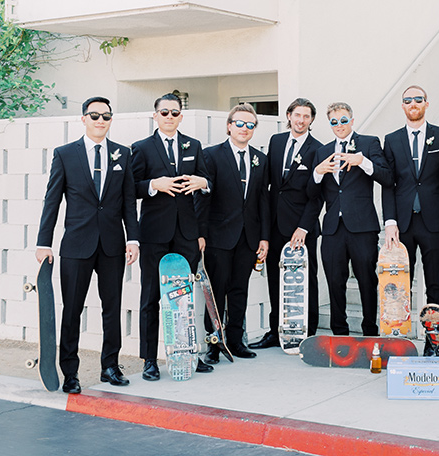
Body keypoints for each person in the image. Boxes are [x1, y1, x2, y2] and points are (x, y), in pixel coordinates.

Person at [35, 97, 140, 394]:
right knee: (72, 310)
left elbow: (128, 201)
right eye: (94, 115)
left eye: (106, 116)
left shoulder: (123, 153)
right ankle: (70, 372)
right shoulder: (66, 154)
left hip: (112, 245)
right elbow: (52, 201)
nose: (100, 120)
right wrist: (44, 242)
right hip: (76, 245)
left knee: (112, 307)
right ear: (83, 119)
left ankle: (110, 366)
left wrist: (133, 238)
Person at [130, 92, 214, 380]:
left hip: (186, 233)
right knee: (151, 297)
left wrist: (203, 182)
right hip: (154, 233)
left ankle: (188, 353)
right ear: (155, 116)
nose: (169, 117)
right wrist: (155, 184)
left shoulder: (194, 145)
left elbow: (206, 184)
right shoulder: (141, 148)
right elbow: (132, 187)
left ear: (181, 115)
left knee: (184, 299)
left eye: (174, 113)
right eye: (164, 112)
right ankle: (150, 360)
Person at [310, 102, 393, 336]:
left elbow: (387, 178)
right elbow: (311, 193)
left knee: (367, 280)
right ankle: (339, 332)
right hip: (333, 229)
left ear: (352, 120)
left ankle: (369, 330)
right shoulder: (322, 151)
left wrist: (363, 162)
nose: (339, 126)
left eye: (343, 120)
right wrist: (318, 172)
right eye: (334, 122)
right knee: (335, 281)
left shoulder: (369, 143)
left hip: (362, 226)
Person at [382, 85, 439, 355]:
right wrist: (390, 221)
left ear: (426, 103)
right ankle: (401, 339)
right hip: (401, 224)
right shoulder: (392, 139)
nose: (413, 103)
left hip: (433, 221)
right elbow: (389, 183)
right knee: (401, 284)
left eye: (418, 99)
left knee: (434, 282)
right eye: (407, 100)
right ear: (402, 106)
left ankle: (435, 341)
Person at [250, 98, 323, 349]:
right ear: (289, 115)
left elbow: (318, 195)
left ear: (312, 120)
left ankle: (308, 332)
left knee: (306, 279)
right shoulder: (276, 141)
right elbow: (269, 186)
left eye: (306, 116)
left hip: (302, 228)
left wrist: (304, 227)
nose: (301, 120)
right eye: (297, 115)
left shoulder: (318, 149)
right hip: (275, 224)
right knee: (275, 278)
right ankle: (275, 331)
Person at [200, 104, 270, 362]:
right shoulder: (211, 155)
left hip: (248, 236)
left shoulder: (260, 160)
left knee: (240, 290)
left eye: (250, 125)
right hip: (219, 236)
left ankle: (236, 339)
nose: (244, 129)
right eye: (239, 123)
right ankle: (214, 343)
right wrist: (202, 233)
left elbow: (263, 199)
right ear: (229, 126)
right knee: (216, 290)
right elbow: (203, 200)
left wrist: (264, 237)